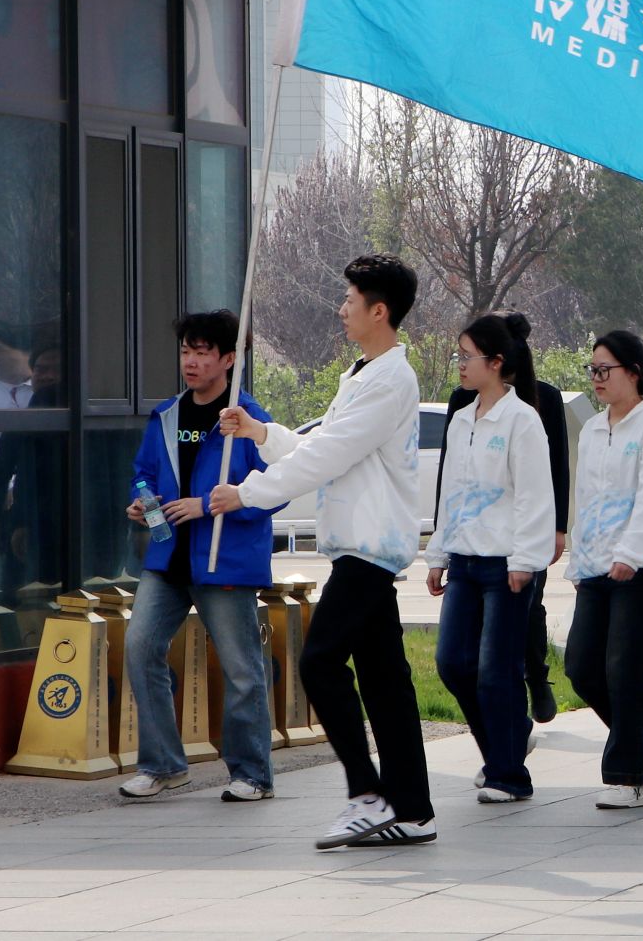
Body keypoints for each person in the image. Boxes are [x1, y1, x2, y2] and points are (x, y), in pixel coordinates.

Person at [211, 255, 434, 847]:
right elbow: (322, 444)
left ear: (378, 311)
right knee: (386, 683)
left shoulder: (390, 380)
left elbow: (328, 455)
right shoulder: (364, 374)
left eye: (350, 300)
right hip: (359, 548)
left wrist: (247, 493)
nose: (342, 310)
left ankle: (367, 794)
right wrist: (262, 434)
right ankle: (413, 810)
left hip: (368, 549)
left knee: (319, 662)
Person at [120, 311, 279, 803]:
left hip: (224, 560)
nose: (190, 361)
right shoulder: (167, 414)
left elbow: (277, 489)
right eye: (186, 351)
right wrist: (144, 504)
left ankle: (252, 773)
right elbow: (144, 472)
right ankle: (162, 764)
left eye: (202, 352)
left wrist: (208, 503)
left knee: (241, 669)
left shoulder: (248, 420)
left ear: (229, 359)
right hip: (168, 558)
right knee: (140, 647)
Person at [426, 312, 559, 803]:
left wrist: (525, 560)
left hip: (506, 565)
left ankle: (508, 775)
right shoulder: (462, 419)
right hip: (463, 561)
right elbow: (450, 492)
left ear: (497, 362)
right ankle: (508, 739)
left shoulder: (522, 420)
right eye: (458, 356)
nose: (460, 365)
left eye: (468, 356)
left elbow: (534, 496)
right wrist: (437, 553)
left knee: (496, 671)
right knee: (452, 663)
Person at [564, 331, 643, 806]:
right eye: (592, 370)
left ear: (634, 373)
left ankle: (630, 777)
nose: (596, 378)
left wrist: (629, 553)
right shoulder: (594, 430)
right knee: (581, 667)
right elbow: (585, 501)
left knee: (625, 666)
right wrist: (580, 561)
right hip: (597, 567)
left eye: (605, 370)